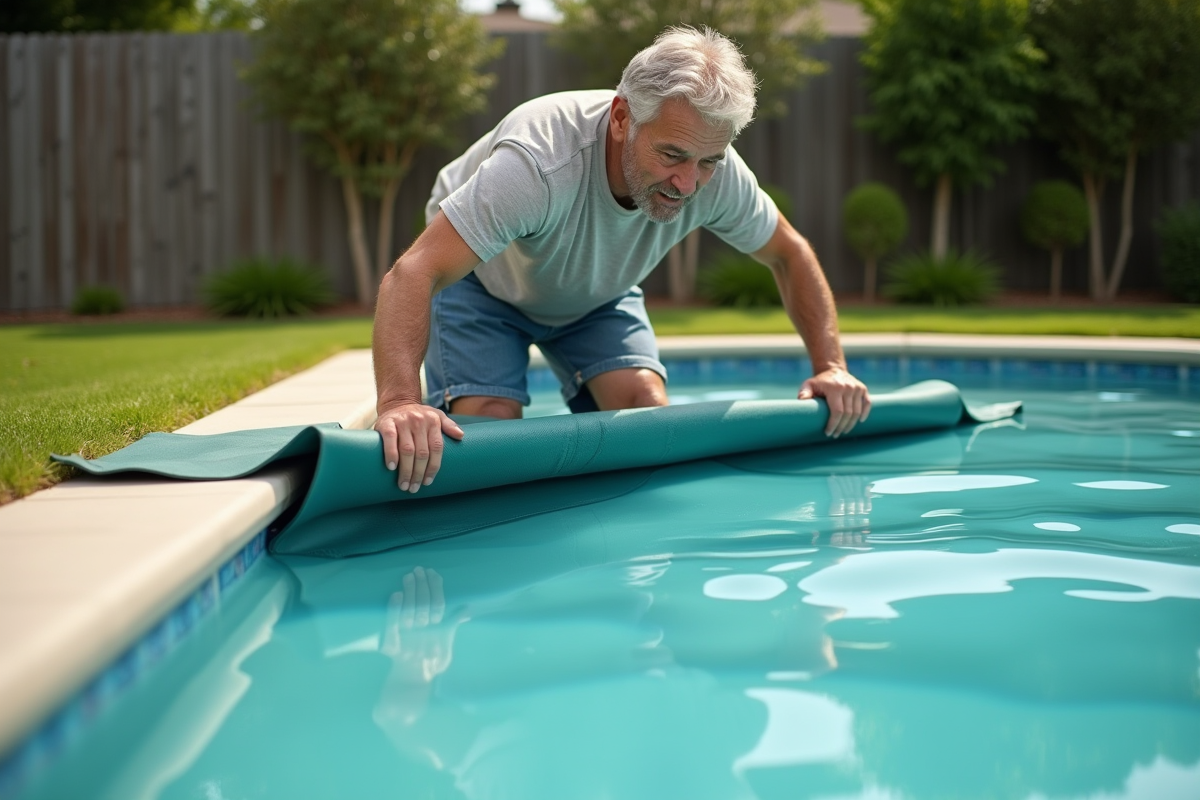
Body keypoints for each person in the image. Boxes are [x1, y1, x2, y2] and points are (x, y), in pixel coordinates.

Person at [372, 26, 870, 494]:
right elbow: (415, 271)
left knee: (647, 418)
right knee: (490, 431)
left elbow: (789, 252)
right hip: (483, 282)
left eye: (708, 162)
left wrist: (832, 367)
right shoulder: (539, 161)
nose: (688, 183)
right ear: (621, 119)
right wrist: (398, 403)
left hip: (598, 293)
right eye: (672, 155)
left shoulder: (713, 172)